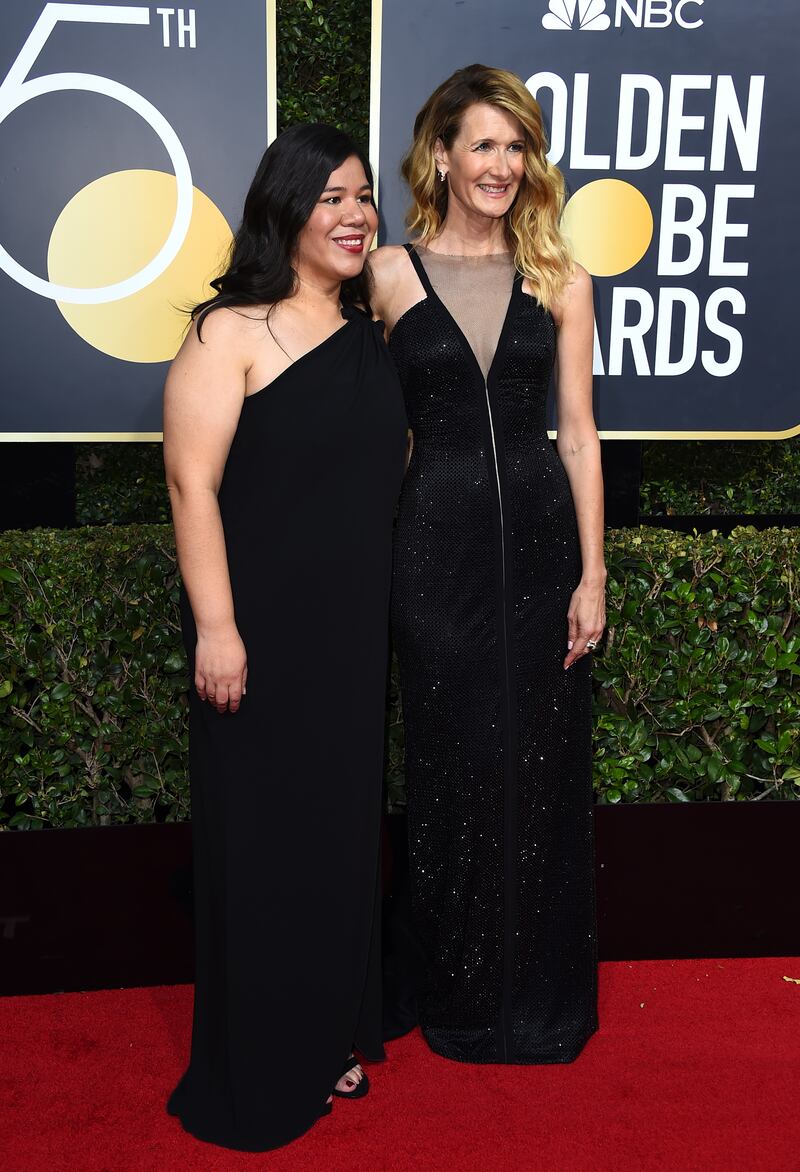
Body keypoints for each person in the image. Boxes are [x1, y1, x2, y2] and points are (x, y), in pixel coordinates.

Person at [163, 124, 407, 1150]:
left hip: (349, 634)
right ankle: (264, 1055)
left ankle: (330, 1029)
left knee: (337, 834)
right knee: (262, 845)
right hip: (256, 632)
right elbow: (191, 484)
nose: (354, 215)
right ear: (286, 210)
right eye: (332, 199)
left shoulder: (371, 335)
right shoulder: (229, 334)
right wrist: (218, 627)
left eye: (363, 198)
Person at [370, 64, 606, 1065]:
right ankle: (459, 994)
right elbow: (379, 437)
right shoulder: (383, 274)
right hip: (429, 554)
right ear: (440, 155)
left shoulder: (559, 277)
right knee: (451, 769)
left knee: (541, 773)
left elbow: (580, 437)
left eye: (516, 147)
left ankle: (539, 1001)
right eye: (482, 145)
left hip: (542, 552)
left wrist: (590, 575)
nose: (501, 165)